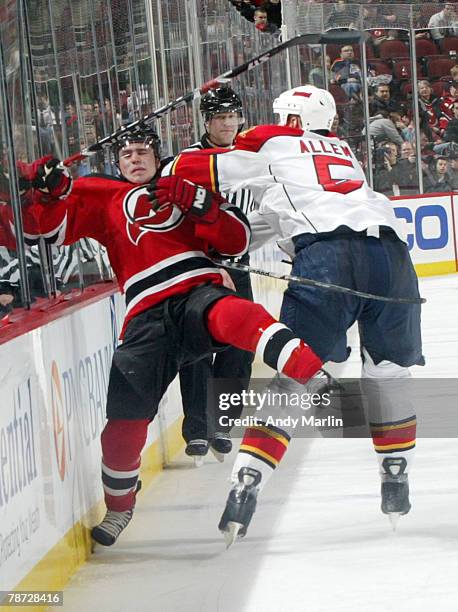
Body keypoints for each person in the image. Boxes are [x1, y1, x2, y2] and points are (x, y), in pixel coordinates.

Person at [26, 128, 323, 546]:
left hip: (196, 289)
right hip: (144, 316)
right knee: (121, 430)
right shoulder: (101, 196)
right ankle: (120, 508)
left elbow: (236, 240)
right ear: (117, 162)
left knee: (235, 312)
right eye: (126, 152)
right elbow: (41, 230)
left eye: (142, 151)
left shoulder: (184, 185)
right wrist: (48, 191)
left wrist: (203, 207)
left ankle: (310, 372)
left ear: (156, 156)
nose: (134, 158)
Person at [159, 85, 423, 545]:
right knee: (389, 373)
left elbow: (190, 169)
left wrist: (165, 174)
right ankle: (395, 474)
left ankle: (248, 480)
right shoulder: (343, 152)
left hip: (328, 256)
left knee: (293, 379)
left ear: (290, 119)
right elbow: (258, 227)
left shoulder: (271, 142)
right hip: (393, 259)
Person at [177, 86, 256, 462]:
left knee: (239, 346)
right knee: (195, 346)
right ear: (206, 121)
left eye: (232, 116)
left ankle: (224, 419)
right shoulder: (188, 160)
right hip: (198, 268)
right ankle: (196, 427)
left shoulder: (251, 156)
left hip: (238, 266)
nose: (227, 123)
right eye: (220, 117)